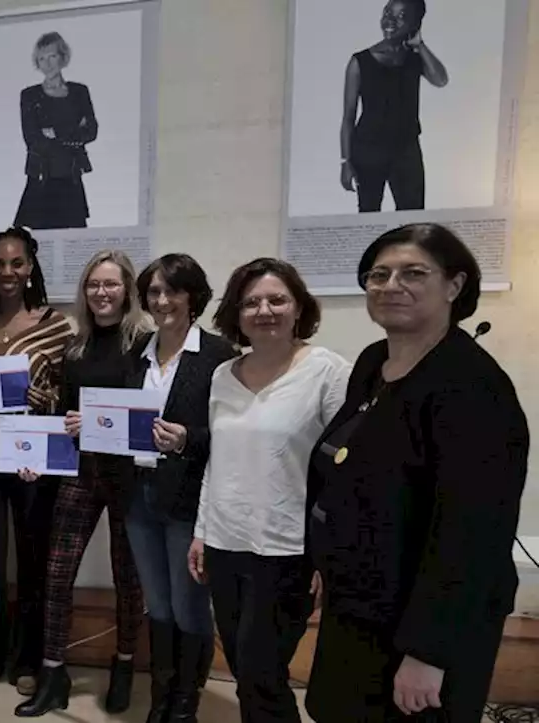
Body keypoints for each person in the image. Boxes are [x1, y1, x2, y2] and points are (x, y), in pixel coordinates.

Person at [306, 224, 528, 722]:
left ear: (454, 285)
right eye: (378, 274)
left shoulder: (473, 388)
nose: (390, 285)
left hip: (426, 621)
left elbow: (471, 534)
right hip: (360, 603)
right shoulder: (373, 362)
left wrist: (429, 653)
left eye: (413, 273)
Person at [188, 258, 351, 723]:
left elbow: (345, 472)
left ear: (298, 306)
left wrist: (328, 554)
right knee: (244, 668)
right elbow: (217, 462)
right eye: (251, 302)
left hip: (286, 548)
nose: (265, 310)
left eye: (277, 299)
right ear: (236, 314)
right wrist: (202, 531)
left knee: (263, 671)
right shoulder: (223, 375)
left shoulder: (328, 372)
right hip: (224, 542)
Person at [16, 250, 153, 718]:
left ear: (128, 290)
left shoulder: (146, 343)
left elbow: (152, 412)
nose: (101, 292)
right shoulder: (74, 347)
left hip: (131, 477)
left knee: (127, 578)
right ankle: (53, 671)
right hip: (81, 471)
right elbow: (61, 417)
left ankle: (124, 664)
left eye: (111, 284)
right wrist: (37, 455)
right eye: (94, 284)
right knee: (56, 572)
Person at [0, 227, 74, 695]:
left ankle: (29, 657)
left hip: (32, 452)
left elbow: (71, 393)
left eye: (17, 263)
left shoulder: (57, 324)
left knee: (33, 556)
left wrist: (45, 397)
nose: (7, 272)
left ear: (30, 268)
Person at [117, 255, 237, 723]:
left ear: (194, 297)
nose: (162, 301)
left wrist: (188, 438)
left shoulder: (219, 356)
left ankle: (186, 702)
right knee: (158, 604)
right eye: (153, 292)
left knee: (189, 607)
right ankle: (162, 695)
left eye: (173, 291)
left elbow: (230, 432)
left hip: (190, 499)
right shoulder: (137, 353)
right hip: (139, 495)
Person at [340, 0, 448, 213]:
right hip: (368, 150)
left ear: (414, 22)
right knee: (368, 215)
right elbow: (348, 117)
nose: (390, 20)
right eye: (388, 12)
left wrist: (420, 45)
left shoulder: (415, 58)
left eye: (400, 16)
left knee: (412, 217)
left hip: (406, 150)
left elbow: (441, 80)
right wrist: (346, 161)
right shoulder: (360, 61)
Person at [14, 31, 98, 230]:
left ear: (62, 57)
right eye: (41, 59)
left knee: (75, 237)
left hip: (71, 176)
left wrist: (56, 133)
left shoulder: (79, 92)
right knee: (41, 242)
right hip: (42, 176)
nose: (47, 64)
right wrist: (73, 133)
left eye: (52, 56)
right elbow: (32, 139)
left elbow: (91, 131)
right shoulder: (30, 95)